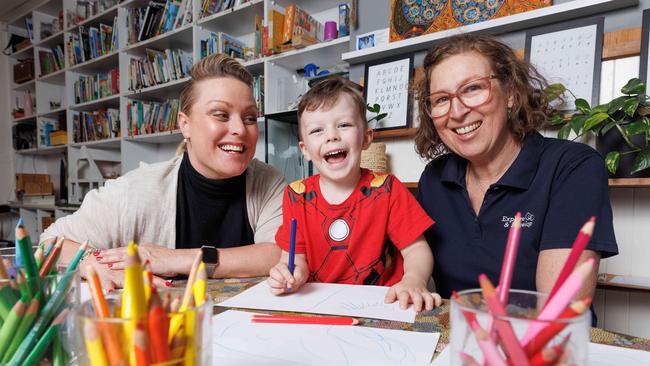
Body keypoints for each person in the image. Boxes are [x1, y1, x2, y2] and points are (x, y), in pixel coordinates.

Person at [40, 54, 285, 290]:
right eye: (221, 114)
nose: (240, 129)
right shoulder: (135, 191)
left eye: (250, 118)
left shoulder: (269, 181)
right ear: (185, 124)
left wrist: (175, 259)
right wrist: (93, 263)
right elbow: (49, 244)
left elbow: (280, 252)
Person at [414, 34, 618, 302]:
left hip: (542, 340)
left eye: (473, 88)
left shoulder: (572, 167)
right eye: (441, 99)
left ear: (510, 93)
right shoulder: (434, 179)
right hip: (461, 336)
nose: (457, 111)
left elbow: (557, 312)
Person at [268, 77, 442, 312]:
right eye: (317, 130)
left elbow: (417, 250)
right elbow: (294, 258)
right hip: (320, 307)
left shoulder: (388, 189)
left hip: (383, 304)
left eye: (344, 125)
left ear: (367, 138)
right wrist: (290, 273)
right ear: (305, 150)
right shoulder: (295, 196)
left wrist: (414, 280)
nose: (332, 136)